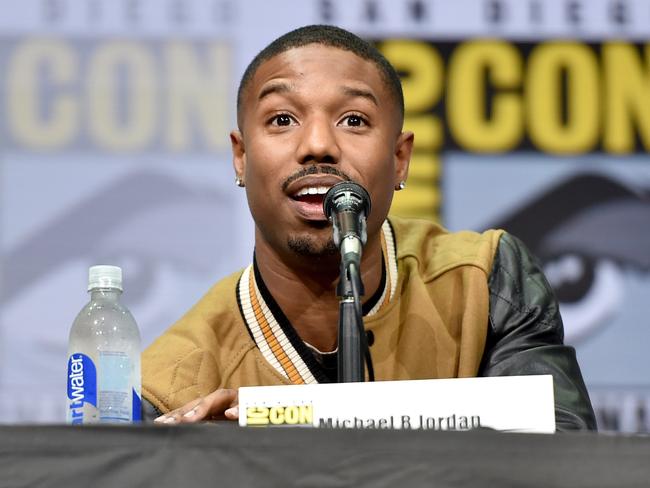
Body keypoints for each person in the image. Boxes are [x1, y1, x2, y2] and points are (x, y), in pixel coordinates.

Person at [142, 24, 596, 431]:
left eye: (353, 120)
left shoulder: (485, 281)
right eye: (283, 119)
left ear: (400, 159)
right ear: (241, 156)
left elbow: (563, 454)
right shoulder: (171, 386)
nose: (318, 145)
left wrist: (289, 423)